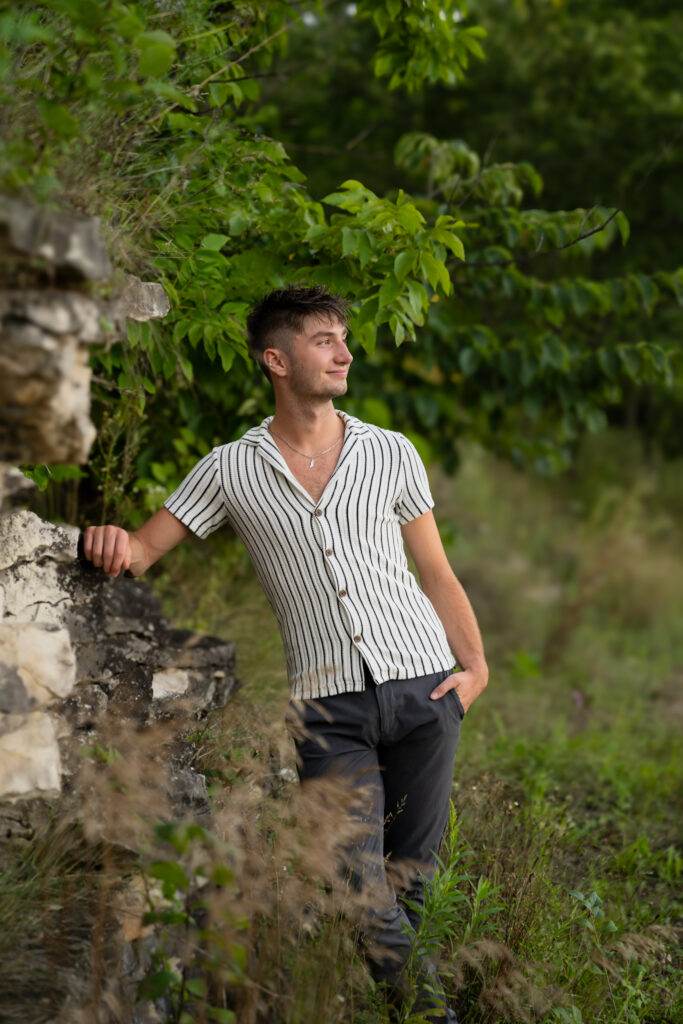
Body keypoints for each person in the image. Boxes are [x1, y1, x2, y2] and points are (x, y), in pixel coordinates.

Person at [83, 284, 488, 1022]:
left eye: (344, 339)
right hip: (327, 710)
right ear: (276, 359)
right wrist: (111, 539)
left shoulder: (390, 451)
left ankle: (404, 1010)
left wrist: (476, 670)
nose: (345, 354)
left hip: (425, 689)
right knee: (355, 886)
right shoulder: (228, 469)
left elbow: (435, 571)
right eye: (324, 341)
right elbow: (141, 551)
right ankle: (434, 1014)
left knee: (412, 883)